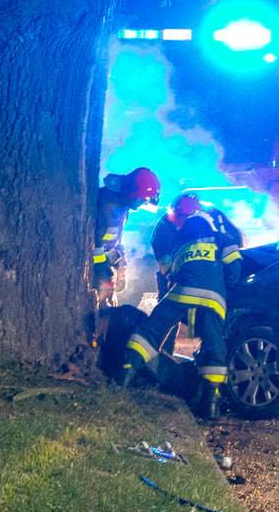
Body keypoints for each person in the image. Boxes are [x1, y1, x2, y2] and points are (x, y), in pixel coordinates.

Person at [121, 202, 242, 419]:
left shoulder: (181, 245)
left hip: (182, 292)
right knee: (214, 345)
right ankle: (211, 404)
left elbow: (171, 273)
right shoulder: (221, 239)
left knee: (153, 328)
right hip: (213, 299)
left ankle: (126, 373)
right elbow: (235, 270)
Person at [93, 168, 160, 307]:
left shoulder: (121, 204)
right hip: (95, 264)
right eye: (143, 199)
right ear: (132, 194)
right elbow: (97, 243)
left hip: (105, 260)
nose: (143, 203)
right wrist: (105, 273)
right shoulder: (107, 204)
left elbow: (114, 239)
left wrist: (120, 263)